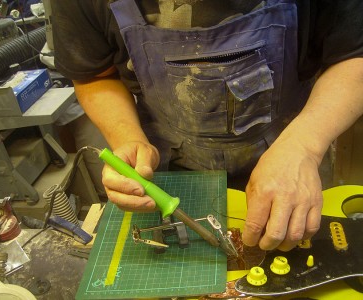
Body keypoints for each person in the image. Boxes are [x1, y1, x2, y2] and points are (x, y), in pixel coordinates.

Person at [51, 0, 363, 252]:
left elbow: (354, 55)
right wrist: (127, 137)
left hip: (295, 160)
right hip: (170, 171)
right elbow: (94, 74)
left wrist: (303, 147)